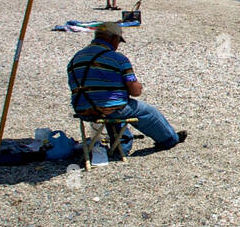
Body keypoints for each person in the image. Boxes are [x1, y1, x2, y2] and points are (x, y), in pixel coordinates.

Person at [67, 23, 186, 153]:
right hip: (108, 109)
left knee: (116, 107)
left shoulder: (76, 58)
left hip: (82, 109)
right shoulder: (117, 59)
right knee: (148, 112)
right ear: (113, 39)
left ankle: (121, 147)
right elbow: (135, 91)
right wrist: (138, 86)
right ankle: (169, 140)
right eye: (118, 41)